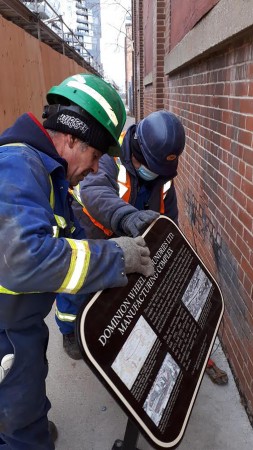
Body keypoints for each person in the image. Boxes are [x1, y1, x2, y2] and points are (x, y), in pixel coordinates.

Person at [0, 73, 155, 450]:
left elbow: (67, 239)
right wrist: (115, 256)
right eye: (95, 155)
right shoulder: (19, 166)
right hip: (5, 330)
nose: (94, 168)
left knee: (26, 400)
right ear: (71, 137)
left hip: (18, 323)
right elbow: (22, 259)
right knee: (22, 428)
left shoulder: (47, 171)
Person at [61, 109, 229, 386]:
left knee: (120, 285)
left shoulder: (161, 176)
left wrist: (173, 249)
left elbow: (169, 219)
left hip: (128, 229)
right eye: (151, 167)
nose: (154, 175)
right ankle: (69, 328)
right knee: (80, 281)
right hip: (91, 227)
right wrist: (127, 217)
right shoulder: (108, 157)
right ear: (136, 149)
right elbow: (94, 192)